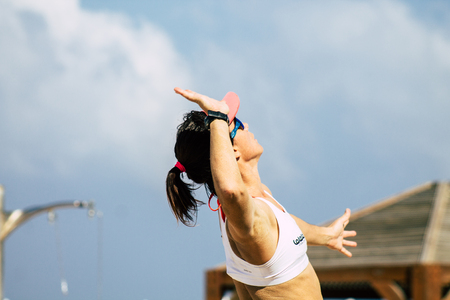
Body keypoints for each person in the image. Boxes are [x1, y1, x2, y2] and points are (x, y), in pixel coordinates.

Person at [166, 88, 357, 300]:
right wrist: (218, 118)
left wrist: (326, 236)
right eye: (237, 124)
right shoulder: (243, 217)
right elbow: (231, 191)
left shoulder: (259, 202)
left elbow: (283, 224)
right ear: (232, 150)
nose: (246, 125)